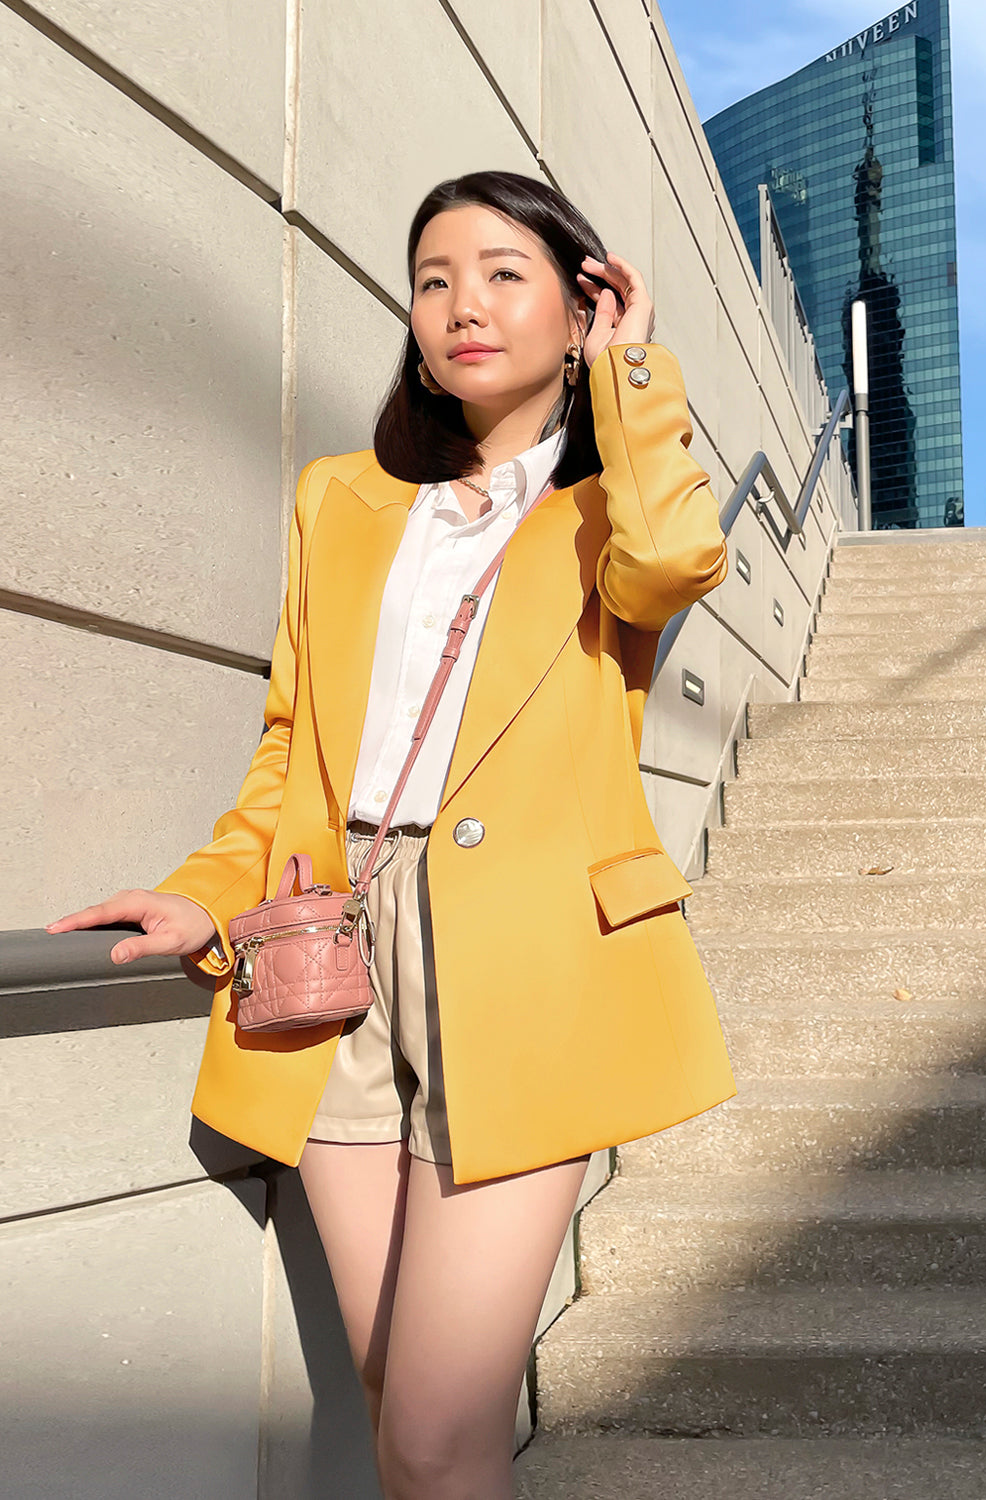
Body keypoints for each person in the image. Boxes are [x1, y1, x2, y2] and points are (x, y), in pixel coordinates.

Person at [46, 170, 737, 1500]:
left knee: (433, 1426)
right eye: (433, 278)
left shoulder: (613, 508)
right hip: (328, 953)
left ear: (581, 306)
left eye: (503, 272)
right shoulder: (342, 502)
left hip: (530, 968)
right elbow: (290, 746)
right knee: (392, 1402)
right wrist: (204, 896)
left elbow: (673, 566)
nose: (461, 303)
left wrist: (633, 371)